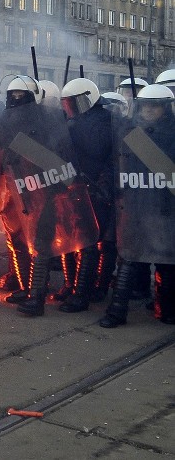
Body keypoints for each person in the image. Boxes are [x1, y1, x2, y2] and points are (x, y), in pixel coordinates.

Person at [0, 75, 98, 317]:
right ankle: (33, 289)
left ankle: (37, 297)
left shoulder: (49, 119)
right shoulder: (4, 122)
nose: (16, 100)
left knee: (42, 242)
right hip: (23, 189)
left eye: (21, 95)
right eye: (13, 95)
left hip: (45, 189)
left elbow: (60, 153)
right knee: (23, 239)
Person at [100, 84, 175, 327]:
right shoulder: (128, 130)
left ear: (165, 108)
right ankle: (117, 311)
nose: (149, 110)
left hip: (164, 206)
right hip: (134, 203)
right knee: (128, 258)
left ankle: (167, 309)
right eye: (145, 105)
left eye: (155, 106)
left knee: (167, 261)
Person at [55, 78, 114, 313]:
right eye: (66, 104)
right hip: (73, 186)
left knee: (88, 242)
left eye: (72, 103)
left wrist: (102, 185)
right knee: (69, 239)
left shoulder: (103, 123)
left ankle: (82, 294)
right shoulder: (75, 122)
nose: (69, 108)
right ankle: (72, 287)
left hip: (93, 188)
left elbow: (102, 155)